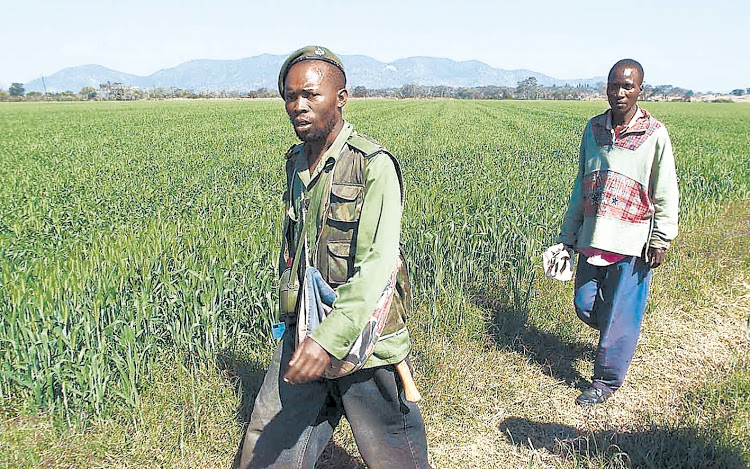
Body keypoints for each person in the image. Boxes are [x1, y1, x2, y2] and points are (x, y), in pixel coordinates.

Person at [233, 46, 429, 468]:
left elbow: (378, 265)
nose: (297, 106)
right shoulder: (296, 163)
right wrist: (297, 325)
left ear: (340, 98)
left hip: (364, 336)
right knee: (266, 445)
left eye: (310, 95)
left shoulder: (372, 166)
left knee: (393, 449)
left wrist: (328, 339)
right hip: (303, 329)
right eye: (289, 96)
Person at [558, 59, 679, 405]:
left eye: (628, 86)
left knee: (620, 314)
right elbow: (580, 187)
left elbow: (666, 190)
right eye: (614, 85)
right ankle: (617, 334)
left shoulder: (654, 134)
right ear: (606, 87)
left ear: (641, 89)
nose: (620, 92)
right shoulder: (593, 129)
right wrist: (568, 235)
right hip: (593, 237)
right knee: (585, 306)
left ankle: (605, 382)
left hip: (633, 241)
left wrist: (660, 238)